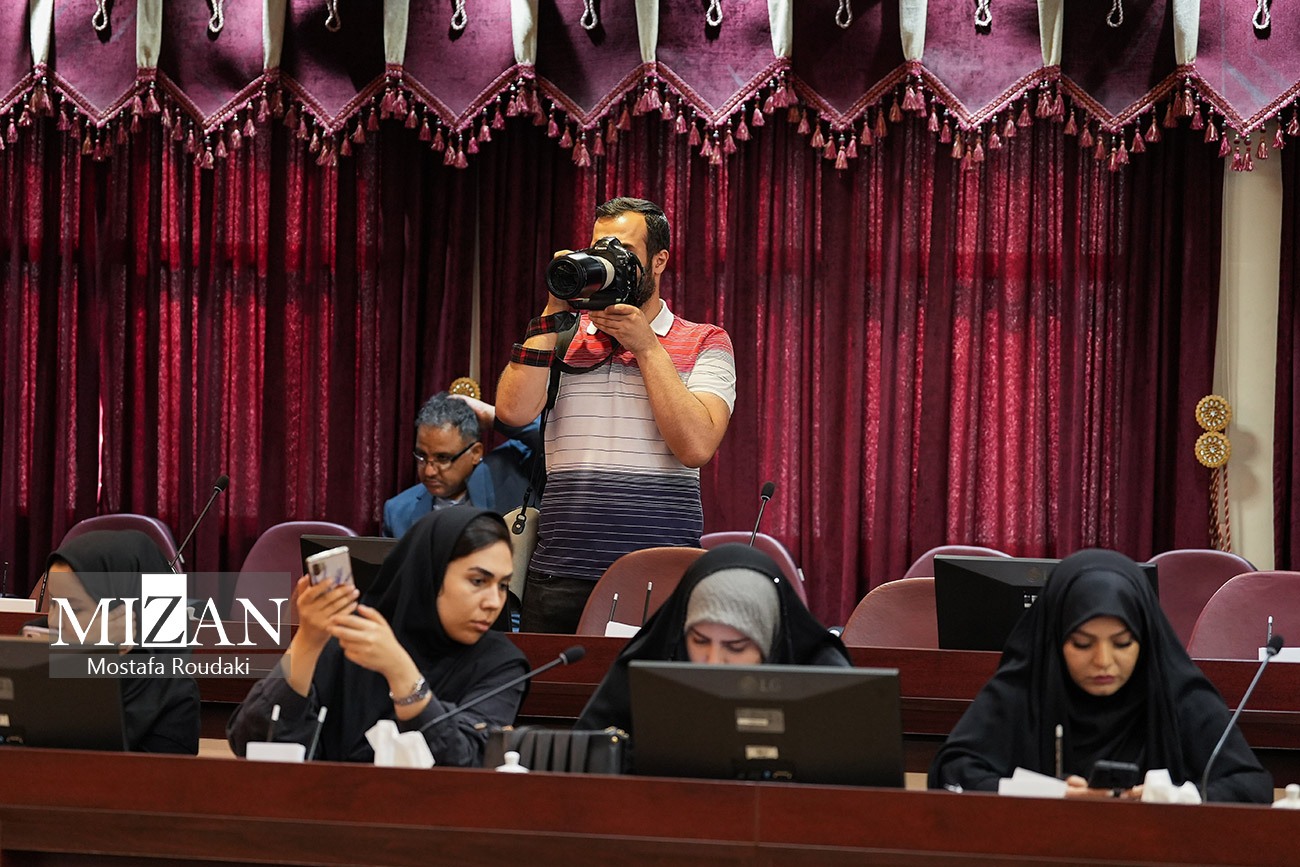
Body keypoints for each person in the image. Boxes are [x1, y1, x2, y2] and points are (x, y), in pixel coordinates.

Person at [496, 197, 737, 633]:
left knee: (650, 682)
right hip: (560, 571)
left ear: (659, 260)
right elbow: (512, 412)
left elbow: (696, 446)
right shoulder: (562, 336)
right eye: (599, 248)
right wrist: (553, 311)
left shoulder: (706, 340)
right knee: (552, 680)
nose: (608, 260)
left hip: (659, 576)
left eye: (622, 250)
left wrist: (647, 347)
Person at [928, 548, 1273, 803]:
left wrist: (1167, 798)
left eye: (1122, 643)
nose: (1103, 661)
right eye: (1082, 644)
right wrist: (1052, 795)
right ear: (1055, 641)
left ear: (1145, 641)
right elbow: (951, 774)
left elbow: (1251, 787)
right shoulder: (1023, 689)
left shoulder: (1177, 694)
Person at [227, 508, 528, 765]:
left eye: (503, 585)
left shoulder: (502, 664)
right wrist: (308, 641)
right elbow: (251, 743)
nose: (494, 602)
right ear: (429, 574)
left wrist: (401, 672)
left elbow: (468, 763)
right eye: (478, 581)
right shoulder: (352, 633)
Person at [575, 544, 849, 734]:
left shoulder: (825, 683)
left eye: (736, 647)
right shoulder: (643, 674)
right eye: (700, 641)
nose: (714, 661)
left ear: (771, 641)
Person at [44, 530, 201, 754]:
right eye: (52, 603)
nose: (53, 621)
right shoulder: (30, 653)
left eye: (74, 609)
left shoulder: (174, 698)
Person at [382, 392, 540, 538]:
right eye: (422, 456)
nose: (429, 472)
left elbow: (549, 436)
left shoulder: (509, 470)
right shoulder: (397, 512)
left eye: (443, 458)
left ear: (475, 452)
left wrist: (492, 416)